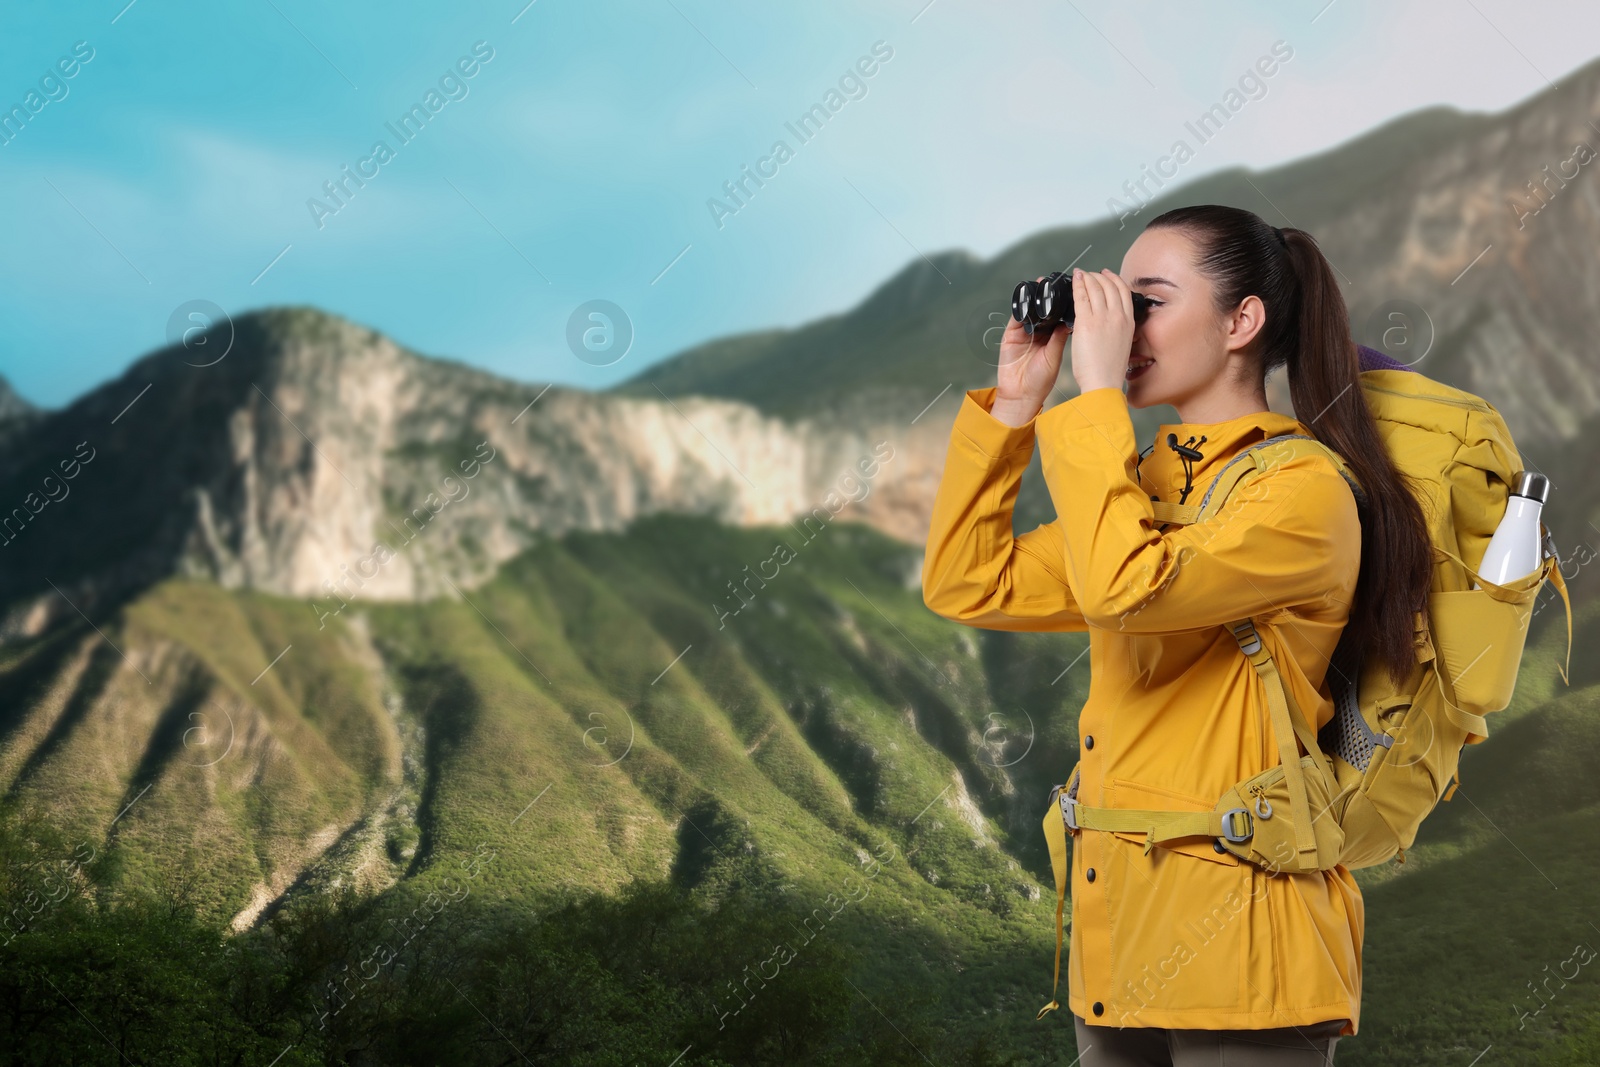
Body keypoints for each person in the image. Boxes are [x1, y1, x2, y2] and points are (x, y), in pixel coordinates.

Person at [921, 204, 1433, 1066]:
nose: (1122, 325)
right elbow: (971, 579)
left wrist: (1094, 403)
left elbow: (1127, 589)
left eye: (1146, 301)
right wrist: (1016, 404)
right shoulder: (1147, 488)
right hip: (1117, 941)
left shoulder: (1302, 492)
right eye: (1116, 302)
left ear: (1242, 321)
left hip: (1244, 949)